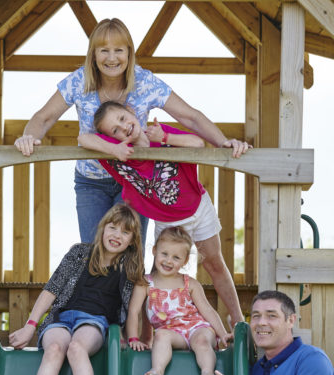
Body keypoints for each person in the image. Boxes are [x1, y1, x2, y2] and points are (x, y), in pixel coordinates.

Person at [14, 17, 250, 244]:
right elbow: (43, 117)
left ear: (129, 52)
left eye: (119, 50)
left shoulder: (144, 82)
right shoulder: (79, 81)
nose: (112, 58)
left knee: (129, 255)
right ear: (93, 54)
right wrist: (28, 138)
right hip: (91, 181)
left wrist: (224, 142)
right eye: (103, 50)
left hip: (137, 181)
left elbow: (191, 116)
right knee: (92, 254)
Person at [79, 100, 243, 327]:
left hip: (198, 207)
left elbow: (197, 143)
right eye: (115, 131)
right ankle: (152, 333)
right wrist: (114, 149)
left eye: (123, 118)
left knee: (214, 262)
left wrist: (165, 139)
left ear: (132, 112)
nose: (123, 127)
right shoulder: (117, 152)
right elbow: (82, 139)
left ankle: (238, 320)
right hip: (168, 221)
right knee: (159, 278)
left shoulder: (159, 132)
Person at [9, 204, 147, 375]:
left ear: (133, 241)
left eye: (125, 232)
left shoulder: (131, 267)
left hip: (95, 322)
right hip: (61, 318)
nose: (116, 235)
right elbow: (51, 291)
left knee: (76, 348)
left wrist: (131, 336)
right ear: (102, 228)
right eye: (112, 228)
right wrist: (30, 325)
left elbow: (135, 309)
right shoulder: (79, 253)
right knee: (53, 350)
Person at [126, 226, 233, 375]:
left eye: (176, 257)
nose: (169, 261)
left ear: (184, 262)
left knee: (201, 341)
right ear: (154, 251)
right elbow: (133, 311)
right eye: (164, 254)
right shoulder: (145, 283)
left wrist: (222, 333)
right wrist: (133, 338)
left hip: (198, 328)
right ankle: (157, 372)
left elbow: (207, 310)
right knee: (160, 336)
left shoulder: (190, 283)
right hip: (172, 333)